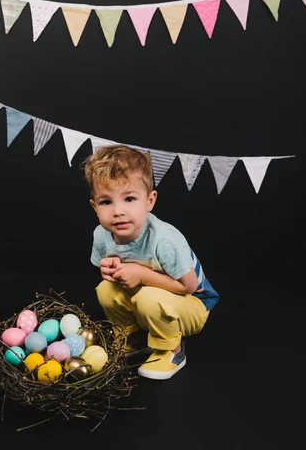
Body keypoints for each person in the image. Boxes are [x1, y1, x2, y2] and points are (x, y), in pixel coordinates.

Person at [83, 144, 219, 380]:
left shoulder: (164, 239)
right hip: (151, 296)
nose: (118, 211)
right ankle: (133, 337)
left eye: (129, 198)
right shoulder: (102, 235)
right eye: (106, 202)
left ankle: (172, 350)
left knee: (148, 297)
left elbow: (189, 286)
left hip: (193, 304)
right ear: (95, 206)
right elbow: (108, 265)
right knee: (106, 289)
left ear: (149, 200)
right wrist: (109, 268)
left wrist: (142, 275)